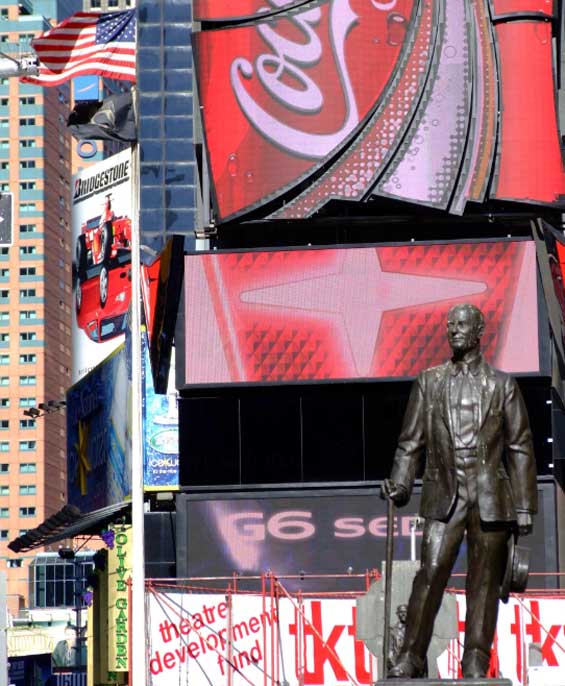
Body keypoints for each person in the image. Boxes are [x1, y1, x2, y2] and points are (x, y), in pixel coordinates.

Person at [382, 303, 537, 679]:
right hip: (444, 492)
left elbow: (519, 446)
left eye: (462, 324)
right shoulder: (429, 381)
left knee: (484, 583)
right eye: (450, 325)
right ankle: (411, 655)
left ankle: (476, 659)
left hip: (490, 495)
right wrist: (401, 483)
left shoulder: (502, 385)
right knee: (431, 572)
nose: (454, 330)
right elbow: (410, 442)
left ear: (479, 331)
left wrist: (524, 506)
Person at [387, 604, 408, 671]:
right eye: (401, 612)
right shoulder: (393, 629)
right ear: (398, 614)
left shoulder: (413, 628)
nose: (403, 614)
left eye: (405, 612)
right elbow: (391, 646)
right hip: (397, 662)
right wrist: (390, 658)